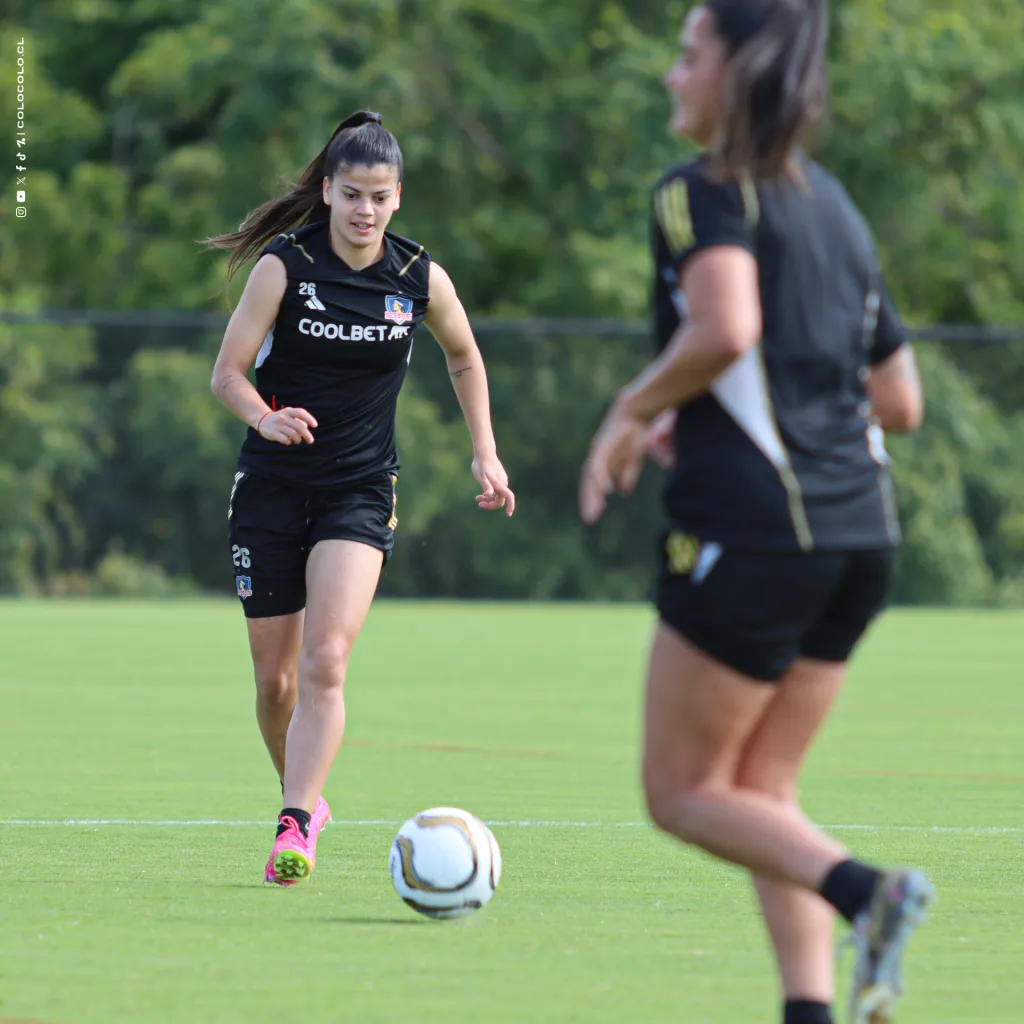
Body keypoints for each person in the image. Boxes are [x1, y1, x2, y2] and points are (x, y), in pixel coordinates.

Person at [578, 3, 932, 1023]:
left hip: (758, 535)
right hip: (861, 535)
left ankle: (874, 894)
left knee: (680, 792)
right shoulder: (835, 207)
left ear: (734, 71)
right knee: (759, 795)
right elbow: (899, 401)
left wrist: (631, 405)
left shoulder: (699, 192)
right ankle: (810, 1010)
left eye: (686, 56)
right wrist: (730, 414)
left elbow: (727, 325)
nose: (668, 77)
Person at [207, 110, 515, 886]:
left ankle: (295, 823)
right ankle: (305, 794)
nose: (364, 211)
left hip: (359, 491)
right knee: (274, 684)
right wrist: (263, 416)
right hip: (272, 488)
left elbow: (466, 357)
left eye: (379, 197)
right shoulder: (285, 267)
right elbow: (227, 375)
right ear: (327, 190)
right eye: (350, 195)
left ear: (399, 197)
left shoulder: (417, 278)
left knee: (326, 660)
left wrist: (485, 450)